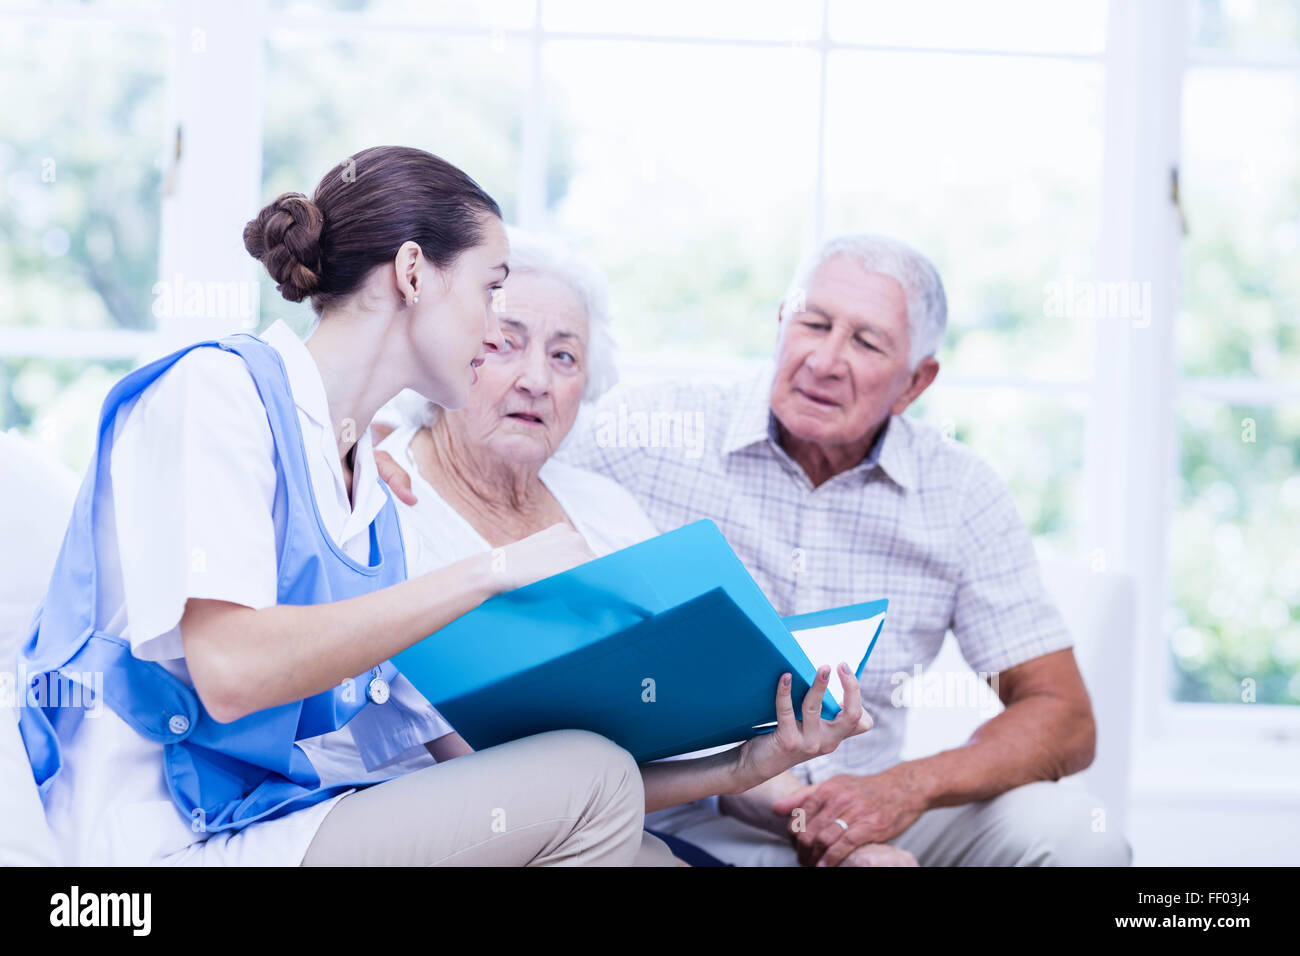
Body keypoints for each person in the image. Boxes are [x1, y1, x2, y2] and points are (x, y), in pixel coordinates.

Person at [376, 232, 1133, 867]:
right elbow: (493, 433)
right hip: (694, 803)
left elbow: (1064, 717)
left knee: (1072, 837)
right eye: (811, 324)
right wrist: (372, 442)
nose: (826, 359)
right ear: (779, 323)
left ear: (916, 382)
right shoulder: (651, 436)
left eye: (867, 342)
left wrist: (905, 791)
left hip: (874, 797)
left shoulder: (960, 493)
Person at [14, 146, 677, 867]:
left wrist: (740, 770)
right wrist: (491, 568)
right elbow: (230, 672)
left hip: (262, 823)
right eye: (491, 290)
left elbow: (472, 749)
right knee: (594, 779)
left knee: (614, 810)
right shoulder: (217, 393)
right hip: (151, 845)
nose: (493, 331)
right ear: (414, 272)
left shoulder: (371, 501)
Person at [359, 229, 871, 832]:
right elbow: (499, 779)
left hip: (610, 827)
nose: (536, 381)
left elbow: (682, 726)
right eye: (503, 344)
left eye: (564, 357)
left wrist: (826, 824)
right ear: (453, 352)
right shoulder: (383, 504)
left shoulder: (605, 507)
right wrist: (735, 770)